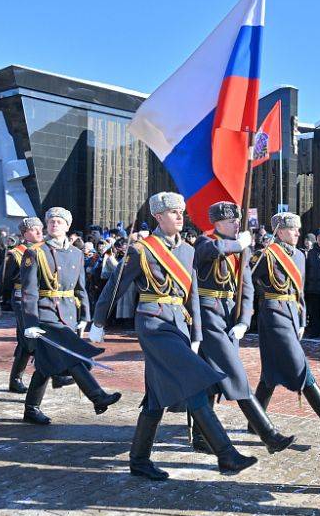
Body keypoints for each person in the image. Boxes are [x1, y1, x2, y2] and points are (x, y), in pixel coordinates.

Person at [90, 192, 256, 477]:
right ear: (158, 217)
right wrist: (98, 322)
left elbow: (191, 294)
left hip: (178, 324)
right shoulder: (141, 249)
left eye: (181, 211)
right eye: (173, 212)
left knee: (156, 397)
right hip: (153, 324)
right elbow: (114, 287)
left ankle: (139, 460)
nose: (180, 216)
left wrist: (196, 333)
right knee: (194, 382)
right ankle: (226, 454)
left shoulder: (189, 250)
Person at [193, 201, 294, 454]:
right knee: (235, 373)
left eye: (237, 220)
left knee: (209, 378)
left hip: (229, 315)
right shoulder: (206, 242)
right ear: (216, 224)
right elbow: (210, 251)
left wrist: (243, 321)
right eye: (230, 221)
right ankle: (269, 435)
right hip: (207, 314)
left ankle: (201, 436)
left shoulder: (242, 248)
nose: (237, 224)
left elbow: (246, 287)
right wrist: (238, 245)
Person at [20, 207, 121, 423]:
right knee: (71, 355)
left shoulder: (76, 253)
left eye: (59, 221)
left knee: (46, 363)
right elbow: (29, 290)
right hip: (45, 313)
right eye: (51, 221)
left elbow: (80, 287)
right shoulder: (35, 252)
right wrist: (30, 321)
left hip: (68, 313)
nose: (54, 224)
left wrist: (85, 314)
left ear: (67, 226)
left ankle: (31, 409)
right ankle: (98, 397)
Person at [250, 212, 320, 435]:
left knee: (271, 372)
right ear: (280, 231)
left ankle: (255, 421)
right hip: (273, 314)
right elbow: (247, 278)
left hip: (292, 314)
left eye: (298, 229)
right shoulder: (266, 255)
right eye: (293, 229)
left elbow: (299, 291)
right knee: (298, 364)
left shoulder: (300, 256)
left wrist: (302, 319)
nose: (297, 233)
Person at [2, 217, 46, 394]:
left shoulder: (45, 250)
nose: (38, 232)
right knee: (30, 339)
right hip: (22, 298)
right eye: (33, 229)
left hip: (39, 298)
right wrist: (1, 301)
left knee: (24, 341)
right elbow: (5, 279)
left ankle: (15, 379)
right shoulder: (16, 253)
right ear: (24, 234)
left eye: (40, 228)